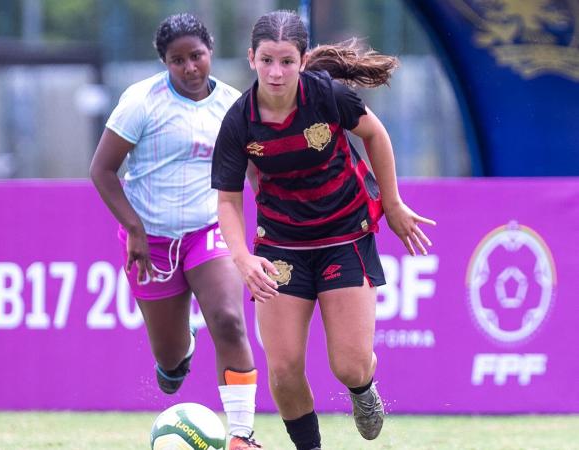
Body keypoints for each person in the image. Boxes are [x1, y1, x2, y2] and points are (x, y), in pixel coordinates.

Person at [211, 10, 436, 450]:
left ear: (302, 60)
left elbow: (376, 135)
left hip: (345, 238)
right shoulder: (239, 122)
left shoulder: (328, 97)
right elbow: (228, 200)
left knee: (349, 367)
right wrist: (241, 257)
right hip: (280, 247)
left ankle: (363, 389)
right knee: (283, 368)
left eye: (287, 61)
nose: (276, 72)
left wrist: (391, 204)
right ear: (251, 58)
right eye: (267, 61)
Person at [90, 13, 263, 450]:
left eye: (197, 56)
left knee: (227, 320)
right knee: (168, 362)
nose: (190, 68)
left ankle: (242, 434)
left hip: (209, 229)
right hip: (151, 241)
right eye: (177, 60)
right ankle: (179, 350)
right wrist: (133, 228)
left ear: (210, 52)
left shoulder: (231, 105)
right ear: (164, 62)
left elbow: (257, 170)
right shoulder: (141, 102)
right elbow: (102, 170)